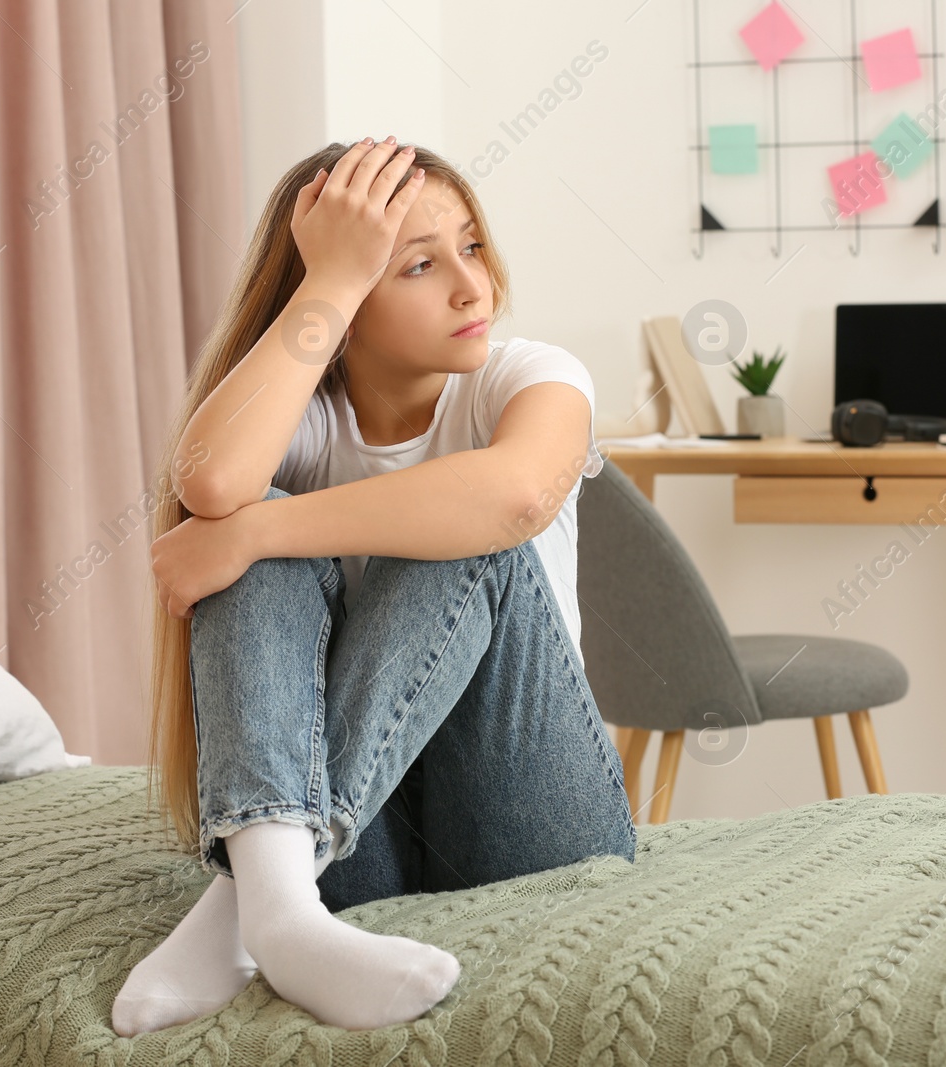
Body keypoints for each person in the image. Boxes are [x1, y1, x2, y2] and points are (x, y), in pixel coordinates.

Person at [110, 137, 637, 1036]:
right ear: (347, 307)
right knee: (248, 521)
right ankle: (285, 911)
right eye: (421, 266)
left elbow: (512, 498)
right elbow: (207, 480)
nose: (473, 287)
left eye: (471, 246)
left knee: (449, 532)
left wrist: (256, 531)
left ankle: (249, 909)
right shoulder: (310, 422)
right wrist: (329, 282)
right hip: (364, 847)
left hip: (534, 820)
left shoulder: (529, 377)